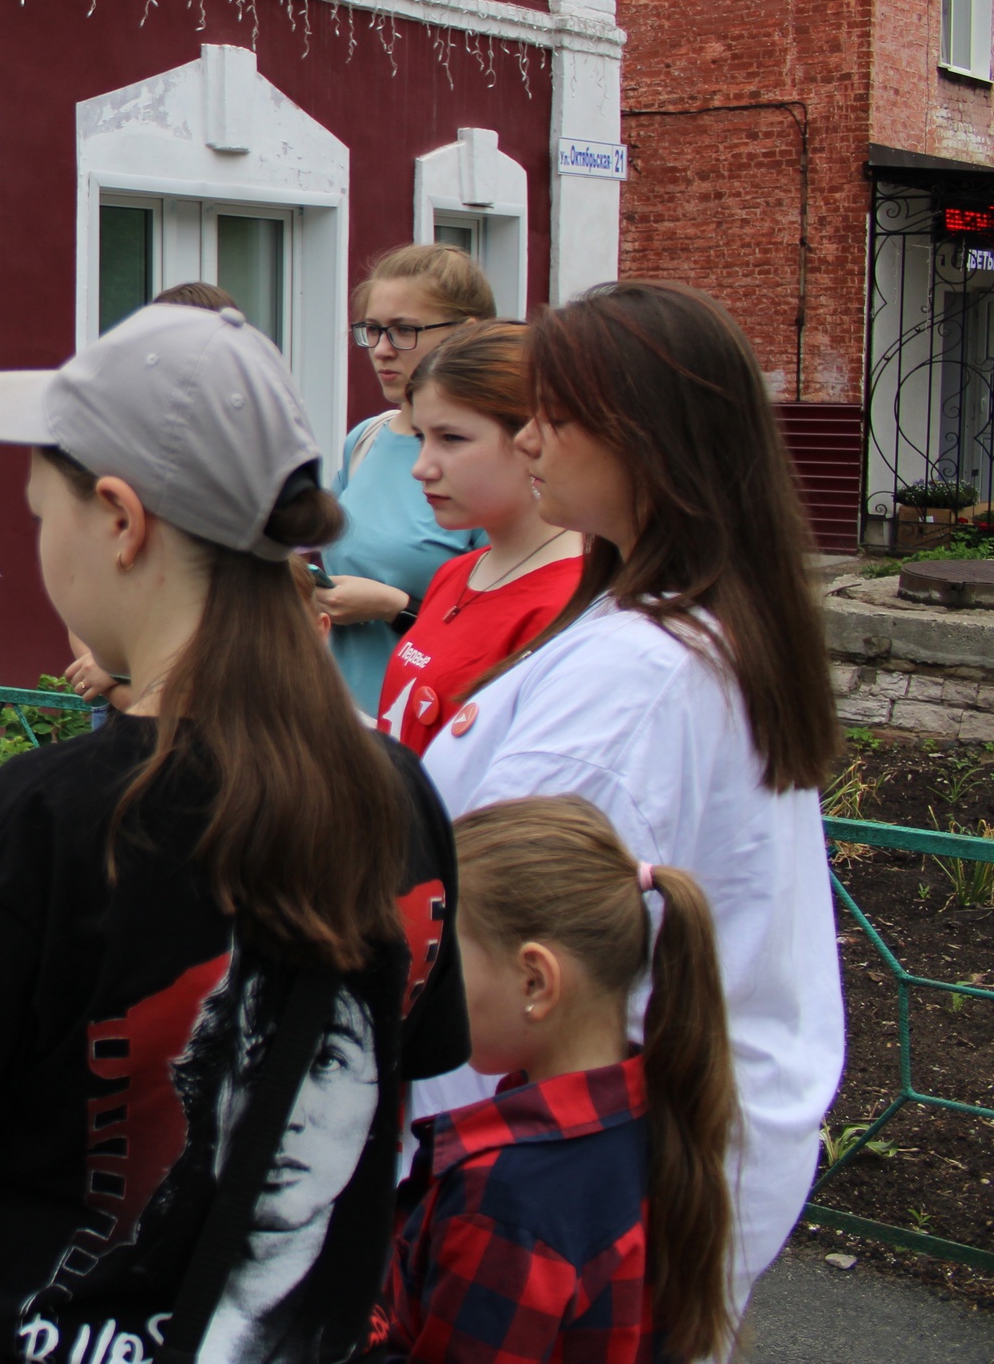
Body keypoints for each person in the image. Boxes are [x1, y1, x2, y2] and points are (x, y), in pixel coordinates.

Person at [0, 303, 468, 1364]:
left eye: (42, 512)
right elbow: (410, 1086)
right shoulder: (397, 792)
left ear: (121, 521)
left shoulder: (44, 817)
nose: (40, 544)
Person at [417, 280, 841, 1297]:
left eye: (553, 419)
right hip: (663, 1156)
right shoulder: (695, 625)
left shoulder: (634, 676)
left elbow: (505, 950)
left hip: (572, 1183)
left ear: (647, 438)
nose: (527, 444)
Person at [376, 796, 738, 1364]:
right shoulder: (655, 1113)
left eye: (444, 965)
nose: (427, 987)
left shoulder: (504, 1199)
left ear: (535, 982)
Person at [374, 323, 581, 754]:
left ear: (532, 437)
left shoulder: (569, 603)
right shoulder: (457, 572)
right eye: (420, 438)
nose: (422, 467)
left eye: (451, 438)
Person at [315, 245, 496, 706]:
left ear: (466, 334)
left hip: (431, 732)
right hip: (347, 724)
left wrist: (395, 608)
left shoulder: (499, 460)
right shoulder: (367, 438)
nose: (381, 349)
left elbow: (501, 636)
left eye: (404, 331)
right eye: (372, 330)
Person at [65, 283, 238, 719]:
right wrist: (113, 676)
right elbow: (79, 585)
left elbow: (240, 615)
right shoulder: (109, 450)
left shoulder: (245, 466)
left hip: (210, 713)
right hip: (123, 709)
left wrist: (125, 682)